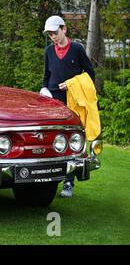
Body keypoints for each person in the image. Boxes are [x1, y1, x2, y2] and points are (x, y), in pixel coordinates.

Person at [42, 15, 96, 198]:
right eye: (50, 34)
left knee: (70, 141)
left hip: (73, 101)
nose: (53, 37)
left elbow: (90, 74)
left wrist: (72, 83)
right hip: (53, 101)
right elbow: (46, 75)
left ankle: (68, 183)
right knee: (50, 140)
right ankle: (44, 179)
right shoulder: (49, 51)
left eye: (55, 33)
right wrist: (44, 90)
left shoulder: (77, 49)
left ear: (64, 29)